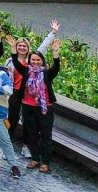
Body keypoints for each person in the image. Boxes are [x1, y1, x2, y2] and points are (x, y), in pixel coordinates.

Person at [13, 40, 62, 174]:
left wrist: (56, 52)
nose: (35, 62)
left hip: (44, 108)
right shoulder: (26, 72)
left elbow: (56, 68)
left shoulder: (46, 73)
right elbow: (16, 63)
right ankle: (35, 158)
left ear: (42, 61)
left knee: (46, 136)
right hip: (28, 107)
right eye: (33, 60)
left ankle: (45, 162)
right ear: (29, 61)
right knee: (31, 135)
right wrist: (13, 48)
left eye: (38, 60)